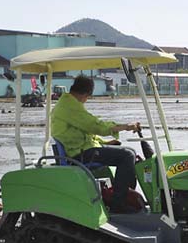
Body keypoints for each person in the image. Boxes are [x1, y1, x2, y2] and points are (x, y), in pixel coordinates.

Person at [51, 75, 141, 213]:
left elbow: (86, 132)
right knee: (127, 156)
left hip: (83, 149)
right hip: (79, 154)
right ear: (86, 94)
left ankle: (125, 194)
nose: (86, 101)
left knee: (130, 152)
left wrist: (106, 142)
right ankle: (119, 203)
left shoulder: (68, 103)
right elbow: (95, 125)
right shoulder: (70, 107)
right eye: (88, 97)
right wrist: (124, 127)